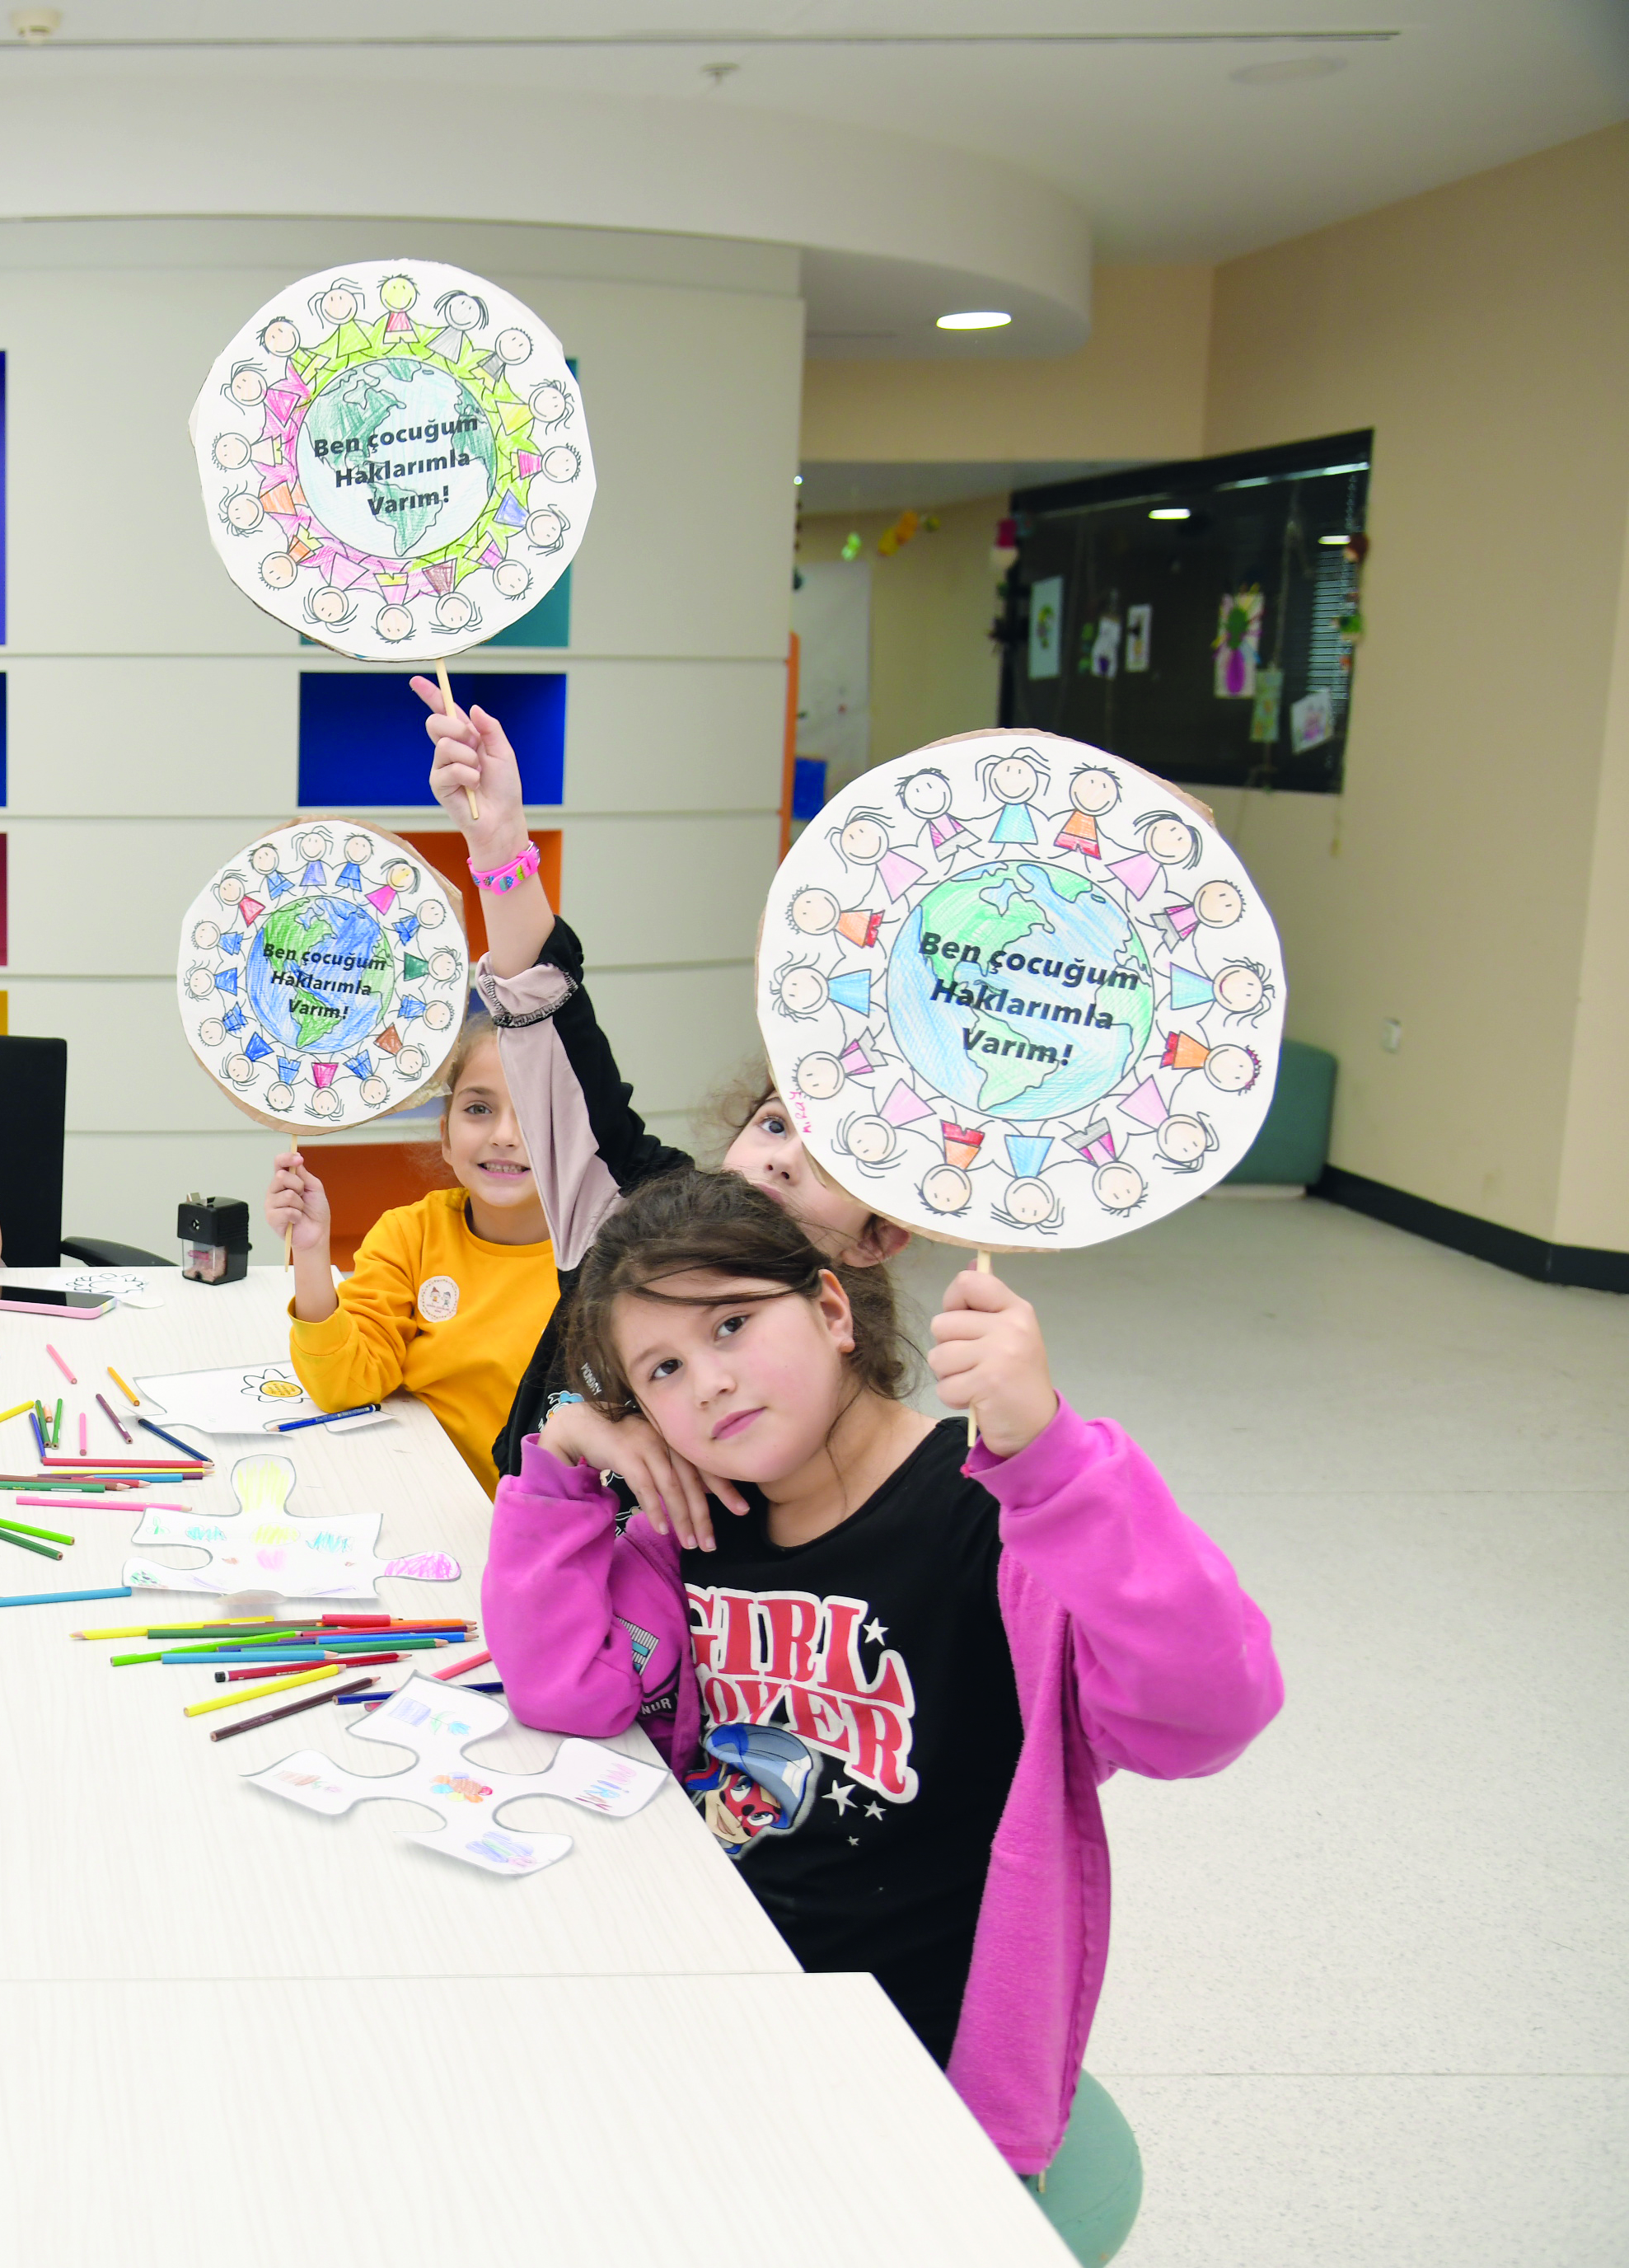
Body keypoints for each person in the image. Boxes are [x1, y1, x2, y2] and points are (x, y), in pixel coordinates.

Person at [482, 1169, 1280, 2261]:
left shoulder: (995, 1514)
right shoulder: (698, 1529)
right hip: (723, 2005)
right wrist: (565, 1464)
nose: (709, 1383)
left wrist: (1053, 1457)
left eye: (732, 1324)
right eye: (663, 1369)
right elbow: (566, 1688)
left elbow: (1208, 1714)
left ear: (829, 1308)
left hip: (919, 2061)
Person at [419, 681, 908, 1507]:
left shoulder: (848, 1383)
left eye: (831, 1159)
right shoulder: (631, 1203)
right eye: (777, 1122)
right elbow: (550, 1023)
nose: (784, 1159)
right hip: (534, 1576)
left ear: (874, 1242)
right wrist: (500, 842)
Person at [261, 1012, 558, 1494]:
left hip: (549, 1530)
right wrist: (312, 1254)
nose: (505, 1134)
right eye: (479, 1109)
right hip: (423, 1505)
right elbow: (344, 1386)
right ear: (445, 1136)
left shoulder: (610, 1259)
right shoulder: (410, 1235)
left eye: (534, 1111)